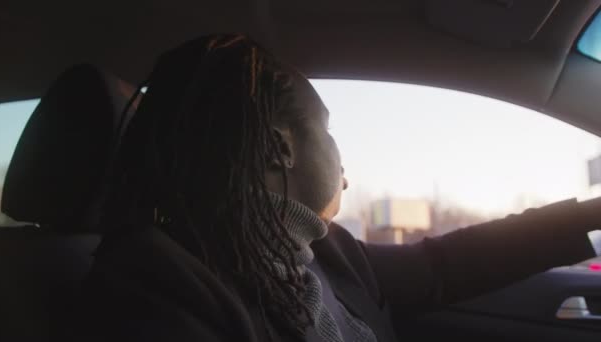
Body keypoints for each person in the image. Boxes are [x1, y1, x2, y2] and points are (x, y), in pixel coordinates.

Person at [71, 34, 601, 342]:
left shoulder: (323, 251)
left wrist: (591, 215)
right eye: (328, 131)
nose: (344, 169)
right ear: (282, 147)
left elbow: (445, 265)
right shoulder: (154, 286)